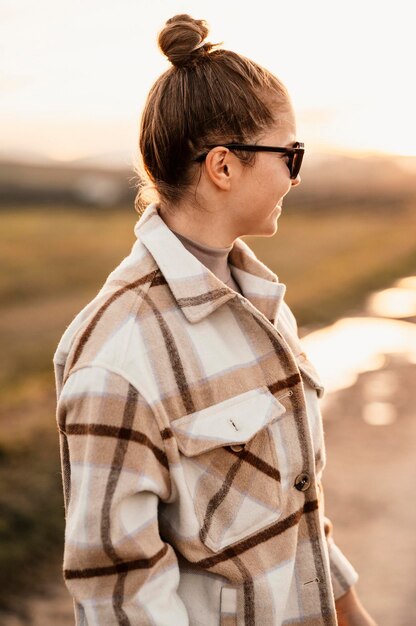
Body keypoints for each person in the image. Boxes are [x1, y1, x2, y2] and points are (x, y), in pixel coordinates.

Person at [54, 14, 377, 626]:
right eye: (290, 154)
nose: (294, 175)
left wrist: (352, 613)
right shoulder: (116, 360)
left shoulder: (263, 304)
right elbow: (119, 597)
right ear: (224, 166)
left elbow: (298, 506)